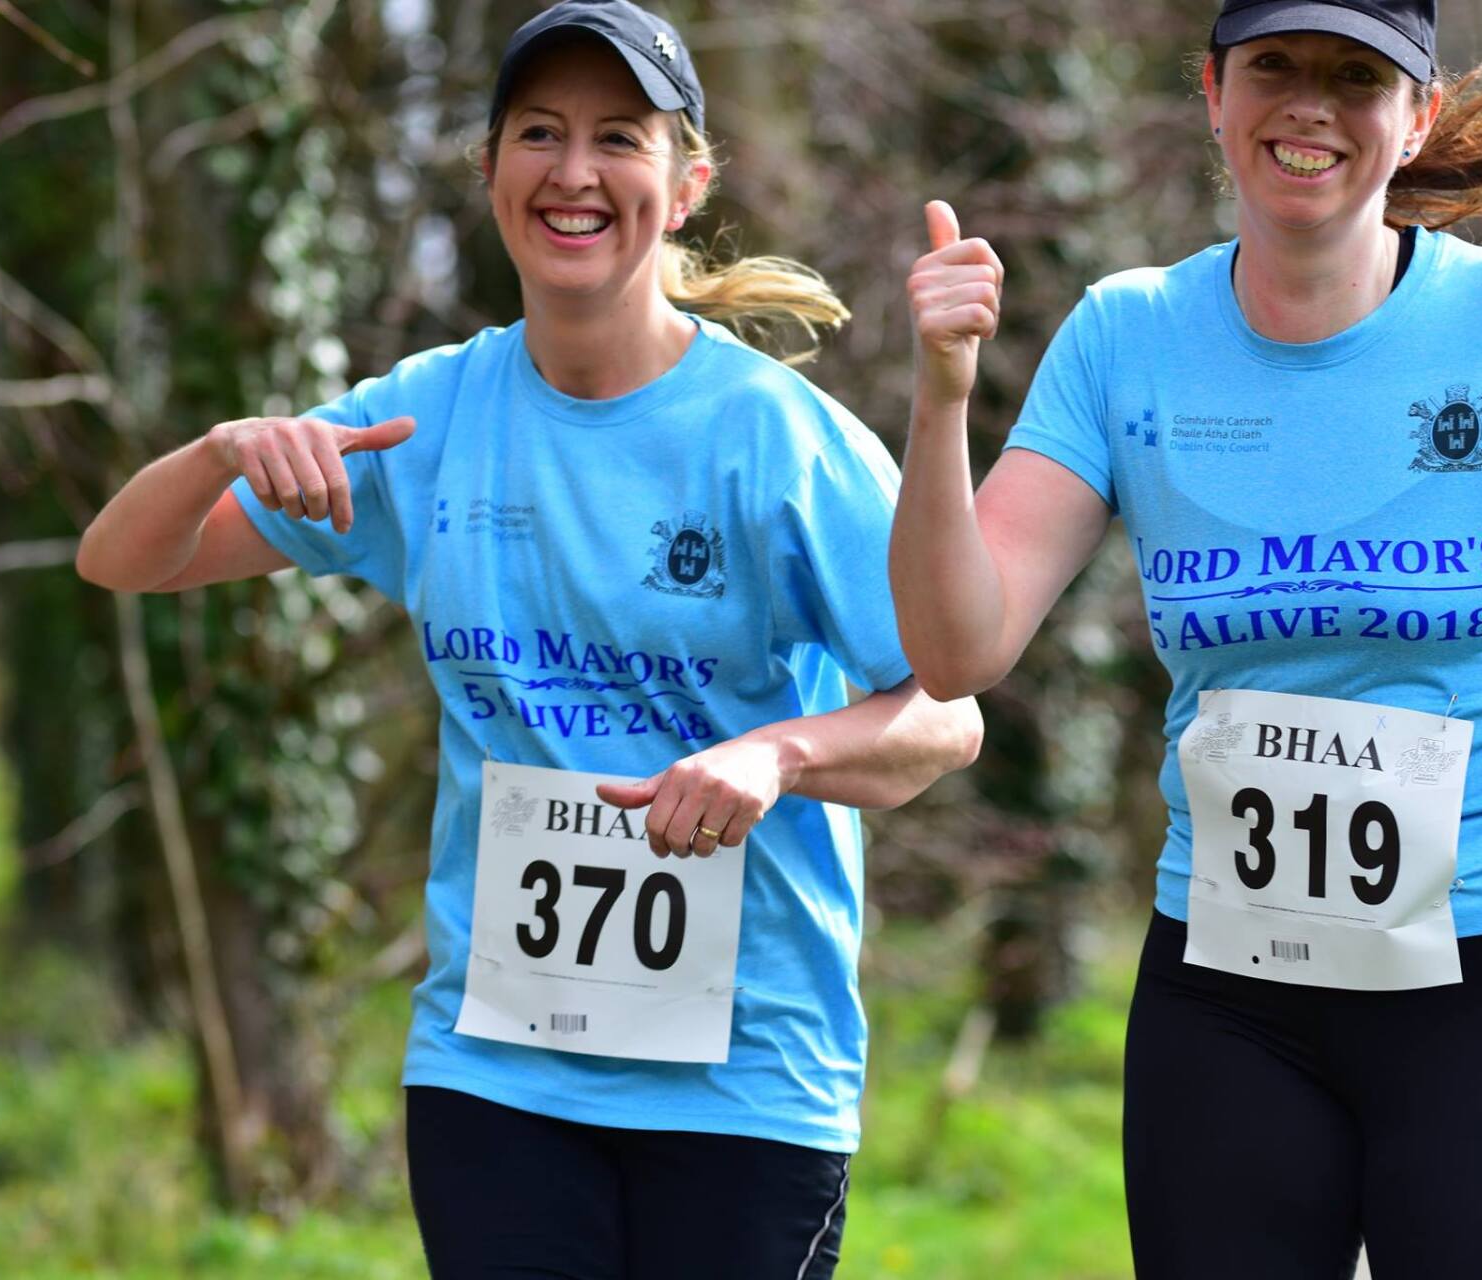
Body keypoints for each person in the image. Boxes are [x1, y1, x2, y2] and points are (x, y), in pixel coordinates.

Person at [77, 3, 983, 1276]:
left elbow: (947, 714)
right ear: (492, 168)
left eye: (619, 138)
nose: (574, 171)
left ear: (686, 186)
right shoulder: (427, 417)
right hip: (494, 1074)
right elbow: (125, 558)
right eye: (541, 133)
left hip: (745, 1080)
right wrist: (219, 452)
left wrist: (776, 755)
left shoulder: (779, 439)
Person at [889, 0, 1482, 1274]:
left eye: (1357, 75)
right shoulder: (1127, 333)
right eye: (1274, 65)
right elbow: (958, 651)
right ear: (1213, 93)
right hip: (1233, 976)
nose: (1310, 103)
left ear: (1420, 116)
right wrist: (942, 396)